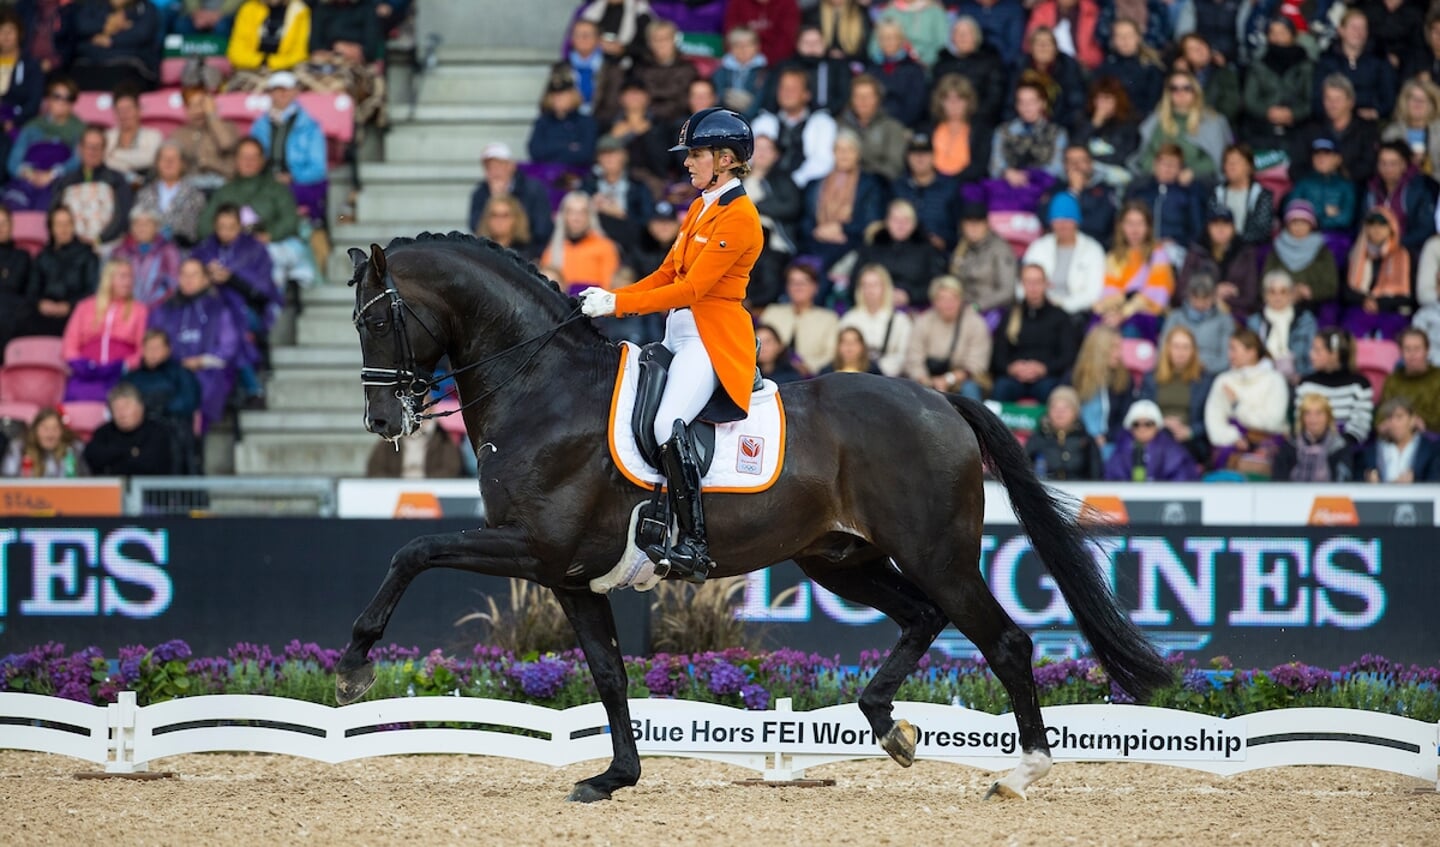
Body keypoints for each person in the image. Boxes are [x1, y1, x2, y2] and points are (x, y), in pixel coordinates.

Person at [576, 107, 762, 583]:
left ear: (725, 159)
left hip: (710, 340)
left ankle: (696, 544)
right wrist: (611, 293)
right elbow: (665, 275)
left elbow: (693, 290)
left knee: (666, 423)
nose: (687, 163)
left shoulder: (740, 217)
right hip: (676, 335)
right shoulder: (701, 206)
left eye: (696, 155)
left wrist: (618, 305)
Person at [190, 202, 282, 404]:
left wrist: (231, 278)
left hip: (250, 310)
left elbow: (262, 292)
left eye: (230, 227)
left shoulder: (255, 250)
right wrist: (206, 274)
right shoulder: (205, 249)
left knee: (231, 323)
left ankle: (250, 387)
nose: (225, 232)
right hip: (208, 308)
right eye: (221, 227)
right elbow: (188, 276)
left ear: (239, 226)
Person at [200, 137, 314, 289]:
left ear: (262, 160)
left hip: (272, 246)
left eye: (254, 157)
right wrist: (227, 235)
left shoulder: (277, 189)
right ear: (236, 160)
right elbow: (202, 226)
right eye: (244, 157)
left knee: (272, 259)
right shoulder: (224, 192)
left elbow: (290, 220)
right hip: (234, 250)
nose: (248, 161)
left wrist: (269, 235)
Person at [147, 257, 241, 431]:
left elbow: (228, 347)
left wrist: (200, 361)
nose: (188, 280)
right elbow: (152, 340)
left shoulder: (219, 308)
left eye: (194, 275)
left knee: (198, 393)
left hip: (208, 371)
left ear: (205, 279)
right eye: (184, 274)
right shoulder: (164, 309)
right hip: (169, 370)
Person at [1204, 327, 1291, 471]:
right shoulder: (1223, 380)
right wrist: (1233, 437)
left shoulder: (1275, 380)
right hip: (1233, 444)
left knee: (1259, 463)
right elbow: (1214, 420)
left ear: (1251, 352)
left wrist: (1238, 406)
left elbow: (1272, 421)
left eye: (1234, 349)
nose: (1229, 354)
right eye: (1229, 349)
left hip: (1269, 442)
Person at [61, 257, 147, 402]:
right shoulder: (85, 306)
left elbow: (144, 348)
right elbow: (69, 344)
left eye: (131, 277)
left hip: (121, 376)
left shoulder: (140, 310)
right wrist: (80, 364)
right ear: (109, 278)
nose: (128, 281)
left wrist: (124, 365)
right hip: (86, 375)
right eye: (123, 276)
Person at [249, 71, 328, 221]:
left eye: (286, 89)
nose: (282, 93)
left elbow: (318, 168)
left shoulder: (310, 127)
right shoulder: (259, 126)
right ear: (270, 93)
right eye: (277, 89)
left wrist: (292, 176)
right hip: (265, 183)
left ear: (295, 92)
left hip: (298, 185)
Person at [800, 129, 882, 272]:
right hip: (816, 241)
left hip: (850, 243)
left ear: (858, 154)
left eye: (850, 150)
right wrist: (817, 231)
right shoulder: (815, 184)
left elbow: (871, 221)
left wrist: (841, 228)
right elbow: (804, 219)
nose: (844, 155)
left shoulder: (870, 185)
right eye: (839, 149)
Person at [989, 263, 1074, 402]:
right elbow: (998, 355)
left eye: (1038, 282)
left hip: (1047, 378)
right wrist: (1011, 368)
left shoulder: (1060, 317)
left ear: (1046, 284)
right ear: (1021, 285)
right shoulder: (1010, 315)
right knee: (1001, 388)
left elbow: (1068, 356)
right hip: (1013, 378)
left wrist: (1044, 368)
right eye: (1028, 282)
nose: (1033, 287)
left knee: (1051, 391)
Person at [122, 328, 201, 471]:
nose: (152, 353)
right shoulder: (132, 378)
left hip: (173, 431)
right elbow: (121, 399)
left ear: (167, 350)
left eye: (157, 348)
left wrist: (160, 408)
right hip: (141, 433)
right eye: (148, 348)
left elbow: (188, 401)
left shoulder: (181, 374)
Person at [902, 274, 992, 401]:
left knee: (970, 388)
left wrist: (948, 380)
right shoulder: (923, 321)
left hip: (963, 380)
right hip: (928, 379)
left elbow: (976, 364)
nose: (948, 304)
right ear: (934, 301)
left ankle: (973, 421)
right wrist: (928, 381)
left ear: (961, 300)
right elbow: (913, 358)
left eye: (953, 298)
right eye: (942, 299)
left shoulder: (976, 323)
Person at [1136, 70, 1231, 184]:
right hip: (1156, 180)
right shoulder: (1156, 120)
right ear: (1168, 94)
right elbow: (1144, 155)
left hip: (1196, 183)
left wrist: (1193, 171)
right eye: (1174, 89)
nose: (1180, 93)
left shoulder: (1212, 121)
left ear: (1195, 91)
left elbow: (1218, 160)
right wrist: (1160, 170)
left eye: (1186, 88)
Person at [1021, 191, 1107, 317]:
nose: (1062, 225)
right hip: (1038, 308)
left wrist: (1063, 305)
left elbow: (1094, 292)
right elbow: (1023, 283)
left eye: (1068, 219)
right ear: (1051, 222)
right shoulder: (1038, 247)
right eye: (1058, 220)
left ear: (1077, 221)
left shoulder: (1092, 250)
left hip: (1076, 312)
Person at [848, 199, 945, 310]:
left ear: (914, 224)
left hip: (915, 309)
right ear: (887, 222)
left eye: (906, 220)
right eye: (895, 219)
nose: (900, 225)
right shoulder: (871, 248)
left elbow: (937, 284)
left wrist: (910, 295)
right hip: (874, 308)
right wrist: (882, 295)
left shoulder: (927, 250)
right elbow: (855, 283)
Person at [4, 77, 83, 211]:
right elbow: (13, 162)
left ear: (73, 103)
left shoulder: (80, 129)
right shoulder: (32, 126)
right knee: (11, 206)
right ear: (48, 99)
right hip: (27, 178)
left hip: (59, 181)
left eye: (68, 98)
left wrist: (52, 174)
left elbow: (78, 159)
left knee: (50, 209)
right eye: (57, 96)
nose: (62, 102)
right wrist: (30, 174)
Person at [986, 80, 1066, 212]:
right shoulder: (1003, 131)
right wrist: (1007, 173)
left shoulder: (1057, 132)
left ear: (1043, 103)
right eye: (1021, 102)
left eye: (1032, 102)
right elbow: (995, 166)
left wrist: (1030, 176)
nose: (1026, 107)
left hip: (1043, 191)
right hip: (1008, 188)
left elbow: (1057, 168)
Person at [1098, 201, 1174, 340]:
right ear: (1121, 226)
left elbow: (1155, 296)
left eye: (1140, 223)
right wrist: (1114, 313)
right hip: (1119, 311)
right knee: (1097, 327)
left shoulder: (1158, 254)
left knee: (1130, 329)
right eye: (1130, 223)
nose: (1135, 229)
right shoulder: (1113, 257)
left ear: (1148, 227)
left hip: (1149, 315)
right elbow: (1109, 292)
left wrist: (1124, 314)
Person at [752, 66, 837, 190]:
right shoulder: (764, 121)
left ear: (806, 95)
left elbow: (823, 162)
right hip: (765, 188)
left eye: (793, 89)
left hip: (805, 188)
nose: (786, 93)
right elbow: (750, 159)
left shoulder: (822, 123)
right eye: (783, 87)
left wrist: (793, 183)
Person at [1140, 324, 1214, 466]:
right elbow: (1143, 411)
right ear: (1167, 348)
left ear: (1193, 351)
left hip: (1190, 441)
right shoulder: (1151, 378)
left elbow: (1211, 419)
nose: (1181, 352)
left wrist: (1190, 431)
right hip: (1156, 435)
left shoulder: (1205, 380)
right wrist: (1161, 422)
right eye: (1176, 346)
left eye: (1186, 347)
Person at [51, 124, 133, 247]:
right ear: (80, 149)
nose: (93, 151)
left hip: (107, 245)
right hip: (72, 247)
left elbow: (123, 217)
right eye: (89, 146)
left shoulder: (116, 179)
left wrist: (100, 239)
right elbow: (54, 215)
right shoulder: (65, 182)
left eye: (97, 147)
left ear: (104, 150)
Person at [1293, 75, 1381, 188]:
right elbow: (1295, 169)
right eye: (1328, 99)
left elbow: (1370, 167)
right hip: (1314, 190)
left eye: (1338, 100)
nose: (1332, 105)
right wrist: (1318, 169)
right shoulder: (1310, 128)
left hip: (1354, 192)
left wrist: (1339, 165)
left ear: (1351, 102)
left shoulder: (1366, 130)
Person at [1240, 18, 1313, 152]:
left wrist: (1292, 113)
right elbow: (1250, 100)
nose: (1278, 37)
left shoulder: (1306, 65)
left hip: (1298, 126)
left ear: (1293, 35)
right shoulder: (1258, 65)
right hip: (1263, 126)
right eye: (1273, 33)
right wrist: (1269, 112)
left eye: (1283, 32)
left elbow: (1311, 100)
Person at [25, 206, 98, 337]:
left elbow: (92, 290)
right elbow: (32, 290)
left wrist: (68, 305)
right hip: (44, 312)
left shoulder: (87, 255)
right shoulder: (42, 257)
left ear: (73, 226)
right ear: (51, 228)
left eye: (67, 223)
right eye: (58, 224)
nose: (63, 229)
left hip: (75, 313)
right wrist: (40, 304)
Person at [1312, 9, 1396, 123]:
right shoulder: (1326, 61)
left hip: (1370, 122)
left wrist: (1376, 112)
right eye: (1353, 27)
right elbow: (1318, 99)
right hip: (1332, 122)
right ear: (1341, 31)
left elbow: (1389, 98)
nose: (1358, 32)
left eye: (1362, 28)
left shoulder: (1380, 61)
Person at [1343, 206, 1414, 340]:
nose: (1376, 230)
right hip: (1361, 307)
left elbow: (1409, 295)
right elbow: (1345, 291)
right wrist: (1364, 300)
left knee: (1391, 332)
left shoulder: (1403, 255)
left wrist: (1380, 303)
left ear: (1391, 229)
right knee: (1351, 329)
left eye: (1382, 225)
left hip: (1392, 309)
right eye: (1372, 224)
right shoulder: (1355, 254)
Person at [1294, 327, 1374, 447]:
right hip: (1308, 448)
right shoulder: (1306, 384)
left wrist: (1337, 447)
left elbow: (1360, 426)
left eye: (1317, 351)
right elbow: (1299, 420)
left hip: (1348, 451)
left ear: (1334, 354)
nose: (1311, 355)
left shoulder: (1359, 385)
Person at [466, 142, 553, 248]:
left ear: (511, 166)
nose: (495, 172)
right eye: (489, 167)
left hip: (527, 251)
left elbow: (542, 227)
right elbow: (475, 226)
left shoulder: (533, 188)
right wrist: (494, 200)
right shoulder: (480, 193)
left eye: (499, 166)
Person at [761, 260, 840, 374]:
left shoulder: (829, 319)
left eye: (803, 282)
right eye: (793, 282)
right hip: (770, 376)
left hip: (813, 378)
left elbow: (831, 354)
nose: (797, 287)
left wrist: (807, 366)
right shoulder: (772, 312)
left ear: (815, 287)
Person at [1180, 206, 1259, 320]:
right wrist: (1212, 293)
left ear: (1233, 227)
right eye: (1215, 224)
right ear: (1208, 227)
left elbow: (1251, 297)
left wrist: (1226, 302)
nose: (1221, 229)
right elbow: (1181, 293)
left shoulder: (1245, 252)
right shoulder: (1196, 252)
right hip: (1198, 313)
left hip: (1235, 314)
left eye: (1226, 224)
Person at [82, 381, 177, 475]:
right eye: (116, 408)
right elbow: (92, 457)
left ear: (140, 407)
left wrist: (113, 458)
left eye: (126, 407)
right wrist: (130, 451)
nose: (122, 413)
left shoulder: (157, 432)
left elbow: (151, 465)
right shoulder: (103, 432)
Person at [1125, 144, 1205, 256]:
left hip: (1175, 249)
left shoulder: (1188, 194)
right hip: (1142, 246)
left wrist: (1178, 241)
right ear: (1155, 165)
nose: (1168, 168)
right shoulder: (1140, 191)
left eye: (1173, 165)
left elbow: (1197, 230)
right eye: (1164, 163)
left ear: (1180, 169)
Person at [1262, 200, 1338, 317]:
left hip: (1312, 305)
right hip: (1278, 303)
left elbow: (1331, 285)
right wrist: (1287, 291)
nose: (1298, 227)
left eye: (1303, 223)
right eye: (1294, 222)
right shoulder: (1276, 248)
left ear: (1311, 225)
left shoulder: (1322, 251)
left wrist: (1308, 291)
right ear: (1287, 225)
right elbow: (1266, 280)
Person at [1363, 141, 1438, 258]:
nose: (1387, 168)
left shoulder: (1418, 189)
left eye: (1393, 163)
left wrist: (1396, 243)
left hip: (1408, 248)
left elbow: (1426, 228)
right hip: (1374, 246)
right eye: (1383, 163)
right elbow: (1363, 221)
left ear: (1403, 164)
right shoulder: (1372, 188)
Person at [891, 133, 960, 260]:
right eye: (915, 154)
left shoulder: (950, 187)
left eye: (925, 154)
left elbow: (959, 226)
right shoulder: (898, 187)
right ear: (908, 157)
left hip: (939, 254)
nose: (920, 159)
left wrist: (944, 241)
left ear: (933, 157)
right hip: (903, 253)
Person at [931, 16, 1007, 128]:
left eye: (967, 33)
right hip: (944, 122)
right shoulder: (942, 64)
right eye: (958, 33)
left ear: (976, 37)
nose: (962, 37)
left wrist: (971, 119)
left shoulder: (990, 63)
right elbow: (935, 97)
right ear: (952, 38)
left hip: (979, 123)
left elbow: (994, 99)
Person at [69, 0, 160, 92]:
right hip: (92, 66)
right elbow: (81, 26)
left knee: (124, 75)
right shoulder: (93, 5)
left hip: (128, 69)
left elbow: (141, 34)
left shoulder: (146, 8)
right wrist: (107, 24)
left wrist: (111, 40)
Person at [838, 263, 911, 377]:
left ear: (885, 287)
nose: (869, 290)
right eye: (865, 285)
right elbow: (841, 352)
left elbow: (903, 355)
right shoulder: (849, 319)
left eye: (875, 284)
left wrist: (878, 370)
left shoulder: (900, 320)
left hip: (888, 380)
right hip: (854, 378)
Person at [1247, 269, 1319, 382]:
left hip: (1297, 376)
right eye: (1272, 292)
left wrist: (1302, 376)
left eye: (1283, 292)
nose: (1277, 297)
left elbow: (1311, 352)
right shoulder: (1255, 321)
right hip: (1261, 376)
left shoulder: (1305, 319)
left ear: (1291, 294)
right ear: (1265, 295)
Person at [1011, 26, 1086, 135]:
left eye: (1048, 43)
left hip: (1060, 126)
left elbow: (1075, 105)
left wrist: (1054, 128)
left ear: (1056, 49)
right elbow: (1010, 103)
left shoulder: (1068, 67)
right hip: (1023, 126)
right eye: (1038, 43)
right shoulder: (1019, 67)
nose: (1043, 47)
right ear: (1031, 48)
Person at [540, 191, 622, 291]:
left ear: (590, 217)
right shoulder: (551, 250)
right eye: (571, 212)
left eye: (582, 212)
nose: (576, 218)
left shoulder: (606, 247)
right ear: (563, 216)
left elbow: (609, 289)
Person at [1104, 399, 1200, 481]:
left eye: (1148, 424)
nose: (1142, 428)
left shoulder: (1171, 450)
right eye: (1136, 424)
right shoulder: (1121, 450)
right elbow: (1113, 478)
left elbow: (1182, 478)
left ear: (1157, 426)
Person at [950, 201, 1016, 320]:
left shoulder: (1000, 249)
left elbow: (1007, 291)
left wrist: (977, 306)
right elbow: (954, 280)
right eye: (969, 224)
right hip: (963, 308)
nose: (973, 228)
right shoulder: (961, 248)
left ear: (987, 225)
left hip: (993, 310)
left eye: (978, 224)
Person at [837, 74, 909, 182]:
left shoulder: (892, 127)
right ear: (851, 100)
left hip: (879, 185)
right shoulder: (839, 125)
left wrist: (863, 174)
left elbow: (894, 167)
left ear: (878, 99)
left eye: (869, 96)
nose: (863, 101)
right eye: (858, 96)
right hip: (843, 182)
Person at [1286, 138, 1357, 247]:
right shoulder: (1303, 183)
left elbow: (1346, 219)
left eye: (1327, 154)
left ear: (1337, 159)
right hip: (1305, 237)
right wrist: (1324, 213)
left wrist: (1309, 217)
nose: (1321, 158)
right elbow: (1291, 213)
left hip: (1336, 239)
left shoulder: (1346, 186)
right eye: (1317, 154)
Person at [1074, 77, 1140, 192]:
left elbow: (1122, 156)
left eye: (1108, 99)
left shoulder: (1128, 124)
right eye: (1099, 99)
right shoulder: (1084, 120)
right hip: (1087, 172)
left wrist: (1091, 160)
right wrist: (1093, 124)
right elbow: (1076, 147)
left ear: (1117, 101)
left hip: (1115, 173)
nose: (1103, 104)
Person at [1070, 324, 1132, 445]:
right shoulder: (1074, 377)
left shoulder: (1124, 379)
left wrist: (1107, 437)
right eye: (1114, 348)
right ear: (1099, 350)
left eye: (1120, 348)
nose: (1119, 354)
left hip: (1110, 443)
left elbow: (1126, 417)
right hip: (1077, 443)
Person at [135, 144, 206, 248]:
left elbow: (193, 230)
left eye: (174, 159)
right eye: (164, 158)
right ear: (157, 163)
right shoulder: (144, 194)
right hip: (147, 250)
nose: (169, 162)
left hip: (181, 250)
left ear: (182, 164)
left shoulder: (195, 196)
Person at [0, 10, 46, 175]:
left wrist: (14, 121)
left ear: (19, 34)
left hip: (17, 125)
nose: (5, 36)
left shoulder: (30, 65)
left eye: (10, 31)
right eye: (1, 31)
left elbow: (34, 102)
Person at [1159, 273, 1232, 375]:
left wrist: (1203, 367)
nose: (1200, 304)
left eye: (1206, 299)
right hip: (1177, 371)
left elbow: (1226, 358)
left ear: (1214, 297)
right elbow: (1163, 349)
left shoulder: (1224, 320)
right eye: (1196, 298)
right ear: (1189, 296)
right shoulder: (1175, 317)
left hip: (1210, 373)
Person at [1273, 393, 1356, 482]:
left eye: (1319, 413)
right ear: (1302, 418)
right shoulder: (1290, 445)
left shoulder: (1340, 447)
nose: (1313, 419)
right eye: (1307, 413)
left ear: (1328, 417)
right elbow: (1279, 482)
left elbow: (1343, 482)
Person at [629, 19, 698, 125]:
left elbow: (683, 99)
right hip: (646, 119)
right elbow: (637, 95)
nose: (661, 44)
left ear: (675, 40)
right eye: (656, 39)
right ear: (649, 43)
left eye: (665, 39)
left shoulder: (687, 68)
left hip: (678, 119)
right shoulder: (640, 67)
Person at [1024, 386, 1102, 480]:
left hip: (1080, 492)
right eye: (1054, 407)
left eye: (1066, 408)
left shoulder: (1086, 441)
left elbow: (1096, 474)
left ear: (1075, 412)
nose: (1059, 412)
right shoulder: (1037, 439)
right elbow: (1024, 469)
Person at [527, 68, 598, 169]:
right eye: (555, 96)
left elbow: (586, 154)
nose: (558, 99)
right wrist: (568, 146)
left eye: (563, 95)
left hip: (578, 176)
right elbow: (535, 151)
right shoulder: (543, 122)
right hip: (546, 174)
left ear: (573, 95)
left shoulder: (586, 122)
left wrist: (551, 148)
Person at [864, 20, 928, 131]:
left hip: (904, 125)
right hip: (874, 125)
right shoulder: (871, 68)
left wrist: (893, 126)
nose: (888, 42)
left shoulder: (914, 69)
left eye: (892, 37)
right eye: (883, 38)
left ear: (901, 40)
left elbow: (915, 105)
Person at [1049, 142, 1118, 245]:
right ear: (1064, 165)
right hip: (1058, 245)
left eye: (1081, 160)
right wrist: (1073, 192)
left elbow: (1099, 224)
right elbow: (1046, 219)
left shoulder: (1105, 190)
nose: (1076, 165)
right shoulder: (1056, 188)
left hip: (1097, 246)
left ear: (1091, 164)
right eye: (1071, 161)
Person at [171, 89, 239, 191]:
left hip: (223, 184)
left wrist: (212, 115)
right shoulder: (178, 134)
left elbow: (226, 144)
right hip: (191, 187)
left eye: (201, 105)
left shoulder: (227, 127)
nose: (198, 111)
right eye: (191, 106)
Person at [1093, 18, 1164, 116]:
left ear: (1138, 38)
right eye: (1119, 36)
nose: (1125, 40)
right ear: (1113, 40)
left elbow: (1153, 104)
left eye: (1129, 35)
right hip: (1112, 121)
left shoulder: (1151, 68)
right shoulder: (1105, 67)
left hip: (1141, 121)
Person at [925, 74, 987, 183]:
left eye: (959, 99)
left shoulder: (980, 131)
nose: (954, 105)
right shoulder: (928, 129)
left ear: (968, 102)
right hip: (933, 184)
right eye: (948, 99)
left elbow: (979, 167)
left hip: (965, 185)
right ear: (940, 102)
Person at [1361, 397, 1440, 482]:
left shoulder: (1430, 450)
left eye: (1399, 417)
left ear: (1412, 420)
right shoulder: (1373, 450)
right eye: (1389, 418)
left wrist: (1414, 482)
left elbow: (1435, 481)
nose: (1394, 423)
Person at [1377, 328, 1440, 432]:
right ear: (1401, 352)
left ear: (1427, 351)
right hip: (1394, 436)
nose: (1412, 354)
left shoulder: (1437, 377)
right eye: (1407, 349)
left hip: (1431, 437)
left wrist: (1411, 420)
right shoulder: (1393, 380)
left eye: (1417, 349)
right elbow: (1381, 417)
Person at [227, 0, 312, 76]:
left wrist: (272, 63)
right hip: (251, 69)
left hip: (286, 70)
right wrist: (262, 61)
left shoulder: (299, 10)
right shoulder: (249, 8)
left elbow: (300, 53)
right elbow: (236, 52)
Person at [1212, 145, 1274, 247]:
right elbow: (1210, 225)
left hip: (1250, 250)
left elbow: (1262, 231)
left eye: (1236, 162)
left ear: (1249, 166)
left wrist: (1234, 241)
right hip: (1220, 249)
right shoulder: (1217, 193)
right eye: (1227, 162)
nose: (1231, 166)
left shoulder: (1261, 195)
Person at [0, 407, 87, 477]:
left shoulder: (74, 449)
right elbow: (8, 479)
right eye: (45, 428)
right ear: (35, 430)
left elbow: (85, 481)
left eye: (55, 428)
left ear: (62, 431)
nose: (50, 434)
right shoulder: (19, 448)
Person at [366, 418, 463, 479]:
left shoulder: (443, 438)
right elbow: (375, 469)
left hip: (432, 493)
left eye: (423, 408)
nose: (419, 413)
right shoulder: (390, 439)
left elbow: (451, 469)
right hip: (395, 493)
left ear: (431, 410)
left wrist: (423, 483)